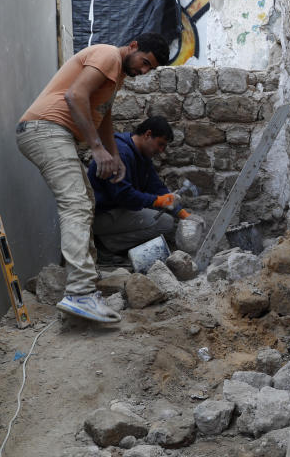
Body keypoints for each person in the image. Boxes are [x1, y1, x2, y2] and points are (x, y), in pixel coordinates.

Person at [16, 33, 169, 323]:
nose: (144, 71)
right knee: (76, 205)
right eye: (145, 62)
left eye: (151, 69)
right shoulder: (109, 55)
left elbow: (103, 114)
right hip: (45, 129)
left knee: (85, 202)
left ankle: (86, 287)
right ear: (133, 46)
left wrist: (114, 155)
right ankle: (80, 293)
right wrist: (97, 150)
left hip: (53, 133)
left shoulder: (115, 75)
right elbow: (75, 96)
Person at [88, 115, 192, 259]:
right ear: (148, 134)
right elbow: (124, 195)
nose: (161, 150)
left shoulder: (142, 155)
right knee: (165, 223)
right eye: (160, 144)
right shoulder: (121, 152)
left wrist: (183, 214)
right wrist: (157, 201)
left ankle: (107, 243)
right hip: (100, 215)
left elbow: (156, 187)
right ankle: (105, 245)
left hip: (116, 211)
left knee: (166, 218)